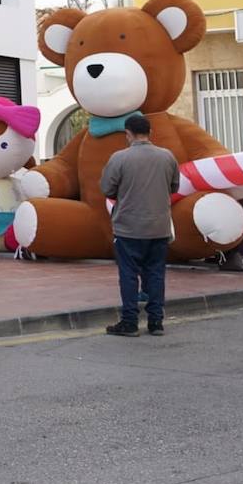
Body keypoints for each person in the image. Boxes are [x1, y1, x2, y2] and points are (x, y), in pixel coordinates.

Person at [100, 114, 178, 337]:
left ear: (128, 133)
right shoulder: (167, 157)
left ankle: (130, 322)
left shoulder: (119, 158)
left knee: (128, 274)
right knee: (156, 273)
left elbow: (107, 189)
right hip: (159, 226)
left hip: (129, 227)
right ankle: (156, 322)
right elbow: (174, 186)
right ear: (150, 133)